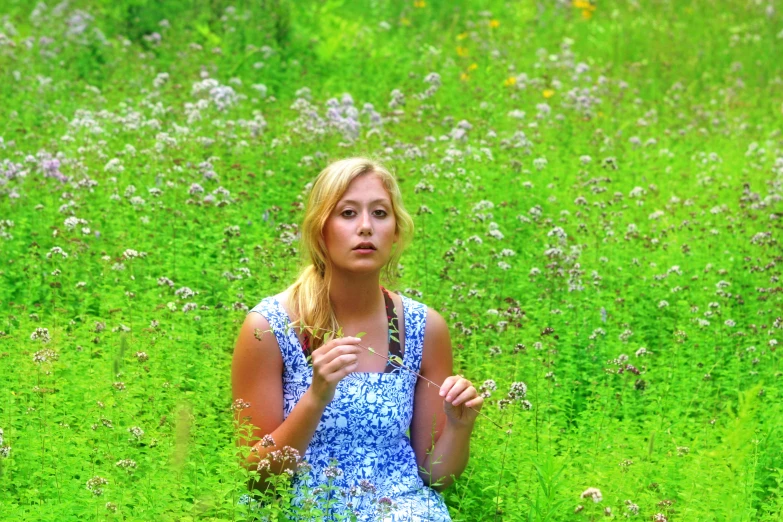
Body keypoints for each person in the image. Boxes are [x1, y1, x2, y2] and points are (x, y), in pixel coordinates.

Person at [231, 157, 483, 521]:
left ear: (396, 231)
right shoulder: (270, 327)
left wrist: (461, 425)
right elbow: (257, 476)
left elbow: (435, 476)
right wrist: (316, 396)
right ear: (321, 228)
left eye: (380, 214)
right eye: (348, 213)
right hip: (303, 511)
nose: (365, 227)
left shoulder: (423, 327)